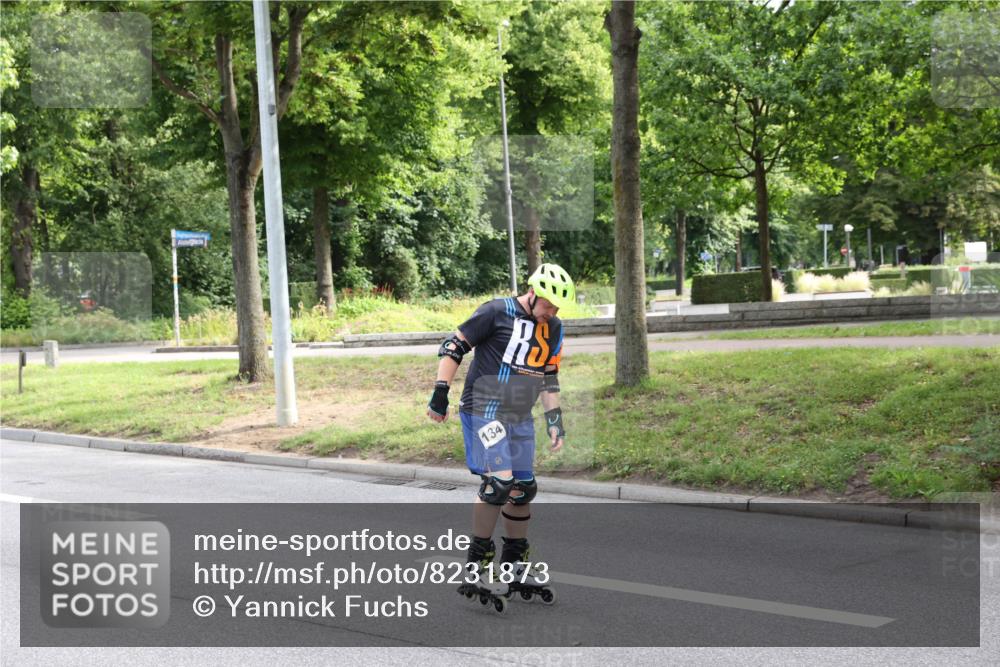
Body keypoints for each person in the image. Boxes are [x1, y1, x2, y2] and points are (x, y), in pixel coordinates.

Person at [426, 263, 574, 610]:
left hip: (519, 416)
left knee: (524, 489)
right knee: (499, 484)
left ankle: (514, 565)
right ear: (533, 293)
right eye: (548, 305)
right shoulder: (496, 311)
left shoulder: (554, 328)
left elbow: (549, 376)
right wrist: (439, 391)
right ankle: (476, 565)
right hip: (484, 409)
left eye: (556, 309)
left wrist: (555, 419)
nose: (550, 313)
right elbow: (453, 346)